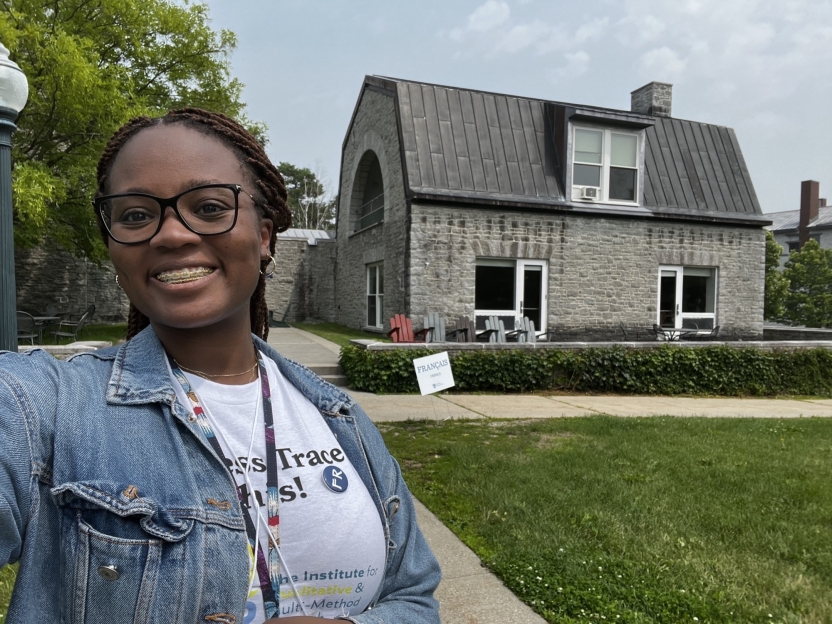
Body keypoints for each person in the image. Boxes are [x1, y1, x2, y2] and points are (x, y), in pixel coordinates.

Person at [0, 108, 440, 623]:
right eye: (136, 215)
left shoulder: (341, 420)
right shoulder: (47, 407)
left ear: (265, 237)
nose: (170, 234)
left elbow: (413, 598)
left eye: (208, 207)